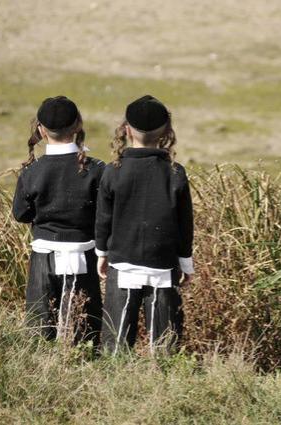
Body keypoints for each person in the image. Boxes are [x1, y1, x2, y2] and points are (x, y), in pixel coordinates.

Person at [96, 95, 194, 355]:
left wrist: (102, 253)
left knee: (114, 345)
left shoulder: (112, 170)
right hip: (162, 265)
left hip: (122, 260)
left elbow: (103, 218)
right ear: (167, 133)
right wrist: (186, 264)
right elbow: (185, 225)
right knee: (164, 346)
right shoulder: (176, 173)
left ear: (126, 129)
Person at [12, 95, 104, 349]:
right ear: (78, 125)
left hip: (44, 255)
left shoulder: (32, 171)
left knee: (40, 329)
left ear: (41, 130)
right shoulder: (96, 169)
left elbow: (20, 214)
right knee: (84, 329)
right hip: (83, 254)